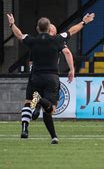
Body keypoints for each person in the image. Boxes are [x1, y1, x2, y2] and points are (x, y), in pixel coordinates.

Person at [7, 15, 85, 144]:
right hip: (51, 78)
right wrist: (83, 22)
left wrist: (11, 24)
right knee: (50, 110)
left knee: (28, 103)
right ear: (49, 29)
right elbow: (72, 31)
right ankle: (39, 101)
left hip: (35, 77)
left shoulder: (32, 40)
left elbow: (19, 35)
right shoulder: (57, 40)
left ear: (38, 28)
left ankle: (25, 128)